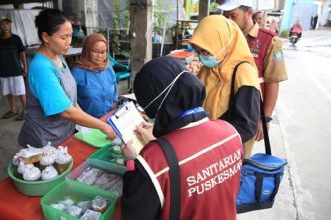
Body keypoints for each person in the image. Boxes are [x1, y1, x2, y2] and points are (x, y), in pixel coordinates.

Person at [121, 56, 244, 219]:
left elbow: (134, 214)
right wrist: (164, 139)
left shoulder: (154, 160)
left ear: (154, 106)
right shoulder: (230, 132)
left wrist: (131, 162)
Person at [18, 9, 116, 148]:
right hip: (45, 139)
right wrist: (102, 126)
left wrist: (89, 124)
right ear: (46, 37)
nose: (69, 42)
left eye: (70, 36)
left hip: (63, 133)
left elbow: (71, 102)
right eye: (63, 37)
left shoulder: (58, 56)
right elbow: (66, 111)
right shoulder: (41, 67)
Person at [219, 0, 288, 158]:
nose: (229, 21)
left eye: (233, 16)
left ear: (249, 13)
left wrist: (265, 119)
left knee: (240, 160)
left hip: (248, 115)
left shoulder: (269, 41)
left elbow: (272, 81)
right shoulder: (225, 37)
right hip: (222, 111)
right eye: (226, 16)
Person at [189, 15, 260, 156]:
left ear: (225, 44)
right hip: (205, 148)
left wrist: (211, 141)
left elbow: (246, 126)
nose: (203, 56)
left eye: (206, 51)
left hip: (228, 155)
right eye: (199, 51)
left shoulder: (243, 73)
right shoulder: (207, 69)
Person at [71, 33, 118, 118]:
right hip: (87, 124)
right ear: (87, 51)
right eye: (95, 51)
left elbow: (114, 99)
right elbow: (70, 102)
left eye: (103, 52)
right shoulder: (77, 72)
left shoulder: (108, 69)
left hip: (108, 120)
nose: (99, 56)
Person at [0, 16, 28, 120]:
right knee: (8, 91)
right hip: (3, 70)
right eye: (3, 24)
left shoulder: (16, 38)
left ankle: (25, 110)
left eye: (7, 23)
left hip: (16, 70)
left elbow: (22, 53)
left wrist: (25, 67)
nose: (6, 26)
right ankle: (13, 109)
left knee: (21, 91)